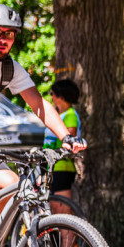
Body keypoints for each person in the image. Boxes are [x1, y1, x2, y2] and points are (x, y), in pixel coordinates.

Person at [0, 4, 86, 233]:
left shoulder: (9, 69)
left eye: (8, 34)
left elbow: (38, 104)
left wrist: (66, 136)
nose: (2, 39)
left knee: (11, 188)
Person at [43, 79, 82, 215]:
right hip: (53, 166)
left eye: (53, 93)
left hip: (63, 166)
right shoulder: (58, 115)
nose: (51, 97)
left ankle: (69, 236)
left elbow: (70, 138)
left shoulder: (70, 114)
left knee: (62, 210)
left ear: (61, 96)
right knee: (54, 208)